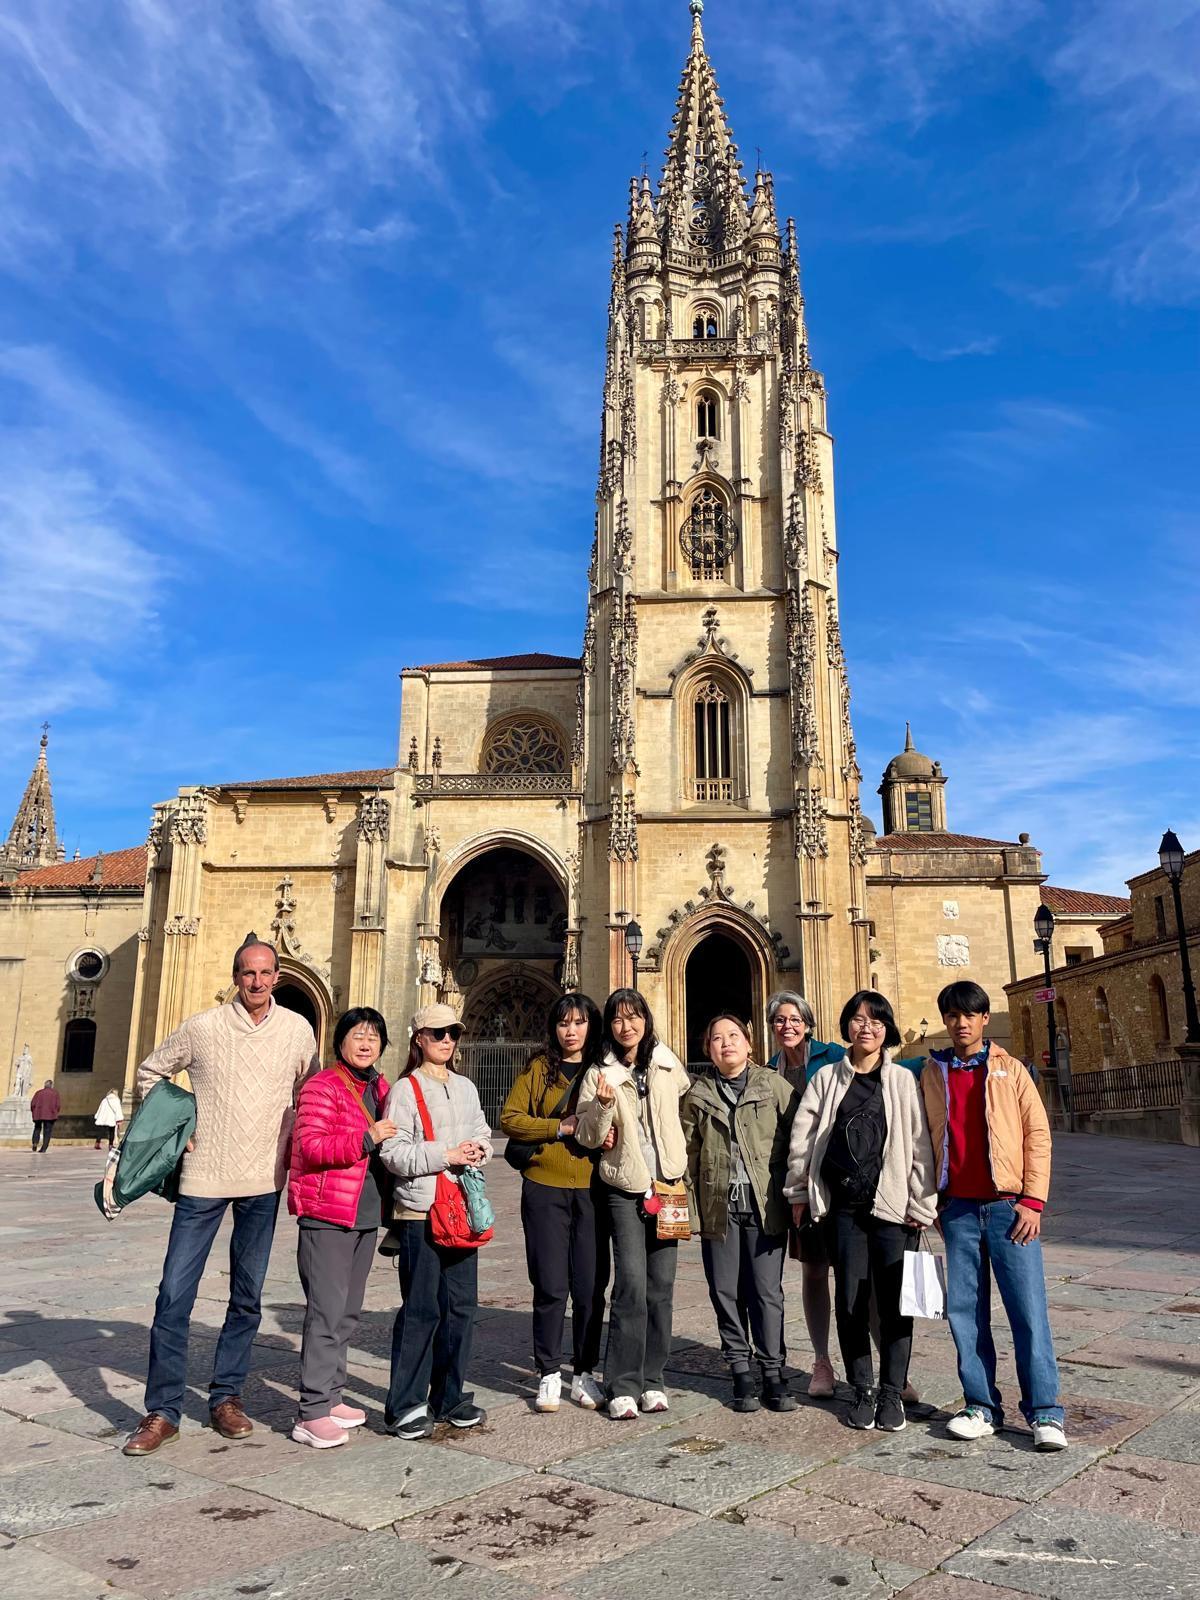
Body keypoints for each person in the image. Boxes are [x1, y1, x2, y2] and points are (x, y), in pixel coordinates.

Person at [122, 937, 319, 1456]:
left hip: (263, 1181)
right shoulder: (203, 1027)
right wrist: (175, 1123)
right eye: (248, 973)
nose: (257, 981)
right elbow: (150, 1070)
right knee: (173, 1295)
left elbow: (311, 1091)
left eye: (265, 972)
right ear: (236, 977)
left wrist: (296, 1132)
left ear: (277, 976)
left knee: (247, 1297)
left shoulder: (298, 1030)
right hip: (203, 1177)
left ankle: (226, 1397)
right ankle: (162, 1410)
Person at [923, 980, 1067, 1451]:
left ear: (985, 1019)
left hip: (1010, 1208)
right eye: (953, 1015)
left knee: (1028, 1311)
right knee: (965, 1313)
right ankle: (981, 1406)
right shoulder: (932, 1072)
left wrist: (1033, 1201)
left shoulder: (1013, 1071)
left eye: (970, 1014)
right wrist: (934, 1201)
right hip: (959, 1209)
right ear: (944, 1021)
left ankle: (1045, 1412)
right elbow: (923, 1136)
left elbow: (1037, 1136)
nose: (961, 1023)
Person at [785, 989, 936, 1433]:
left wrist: (921, 1202)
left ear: (887, 1029)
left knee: (894, 1303)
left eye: (875, 1020)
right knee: (850, 1301)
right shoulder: (827, 1078)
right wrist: (798, 1192)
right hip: (843, 1210)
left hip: (892, 1208)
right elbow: (803, 1138)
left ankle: (892, 1391)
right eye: (857, 1018)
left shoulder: (901, 1081)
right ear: (845, 1025)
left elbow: (920, 1145)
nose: (865, 1026)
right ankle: (863, 1389)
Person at [378, 1004, 492, 1441]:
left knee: (462, 1307)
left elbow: (482, 1131)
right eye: (438, 1033)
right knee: (422, 1308)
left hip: (460, 1209)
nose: (447, 1040)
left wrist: (480, 1149)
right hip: (421, 1210)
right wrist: (446, 1154)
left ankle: (450, 1397)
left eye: (454, 1033)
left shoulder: (465, 1087)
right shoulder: (406, 1090)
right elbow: (393, 1154)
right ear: (419, 1038)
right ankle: (405, 1404)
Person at [575, 988, 690, 1421]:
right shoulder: (598, 1073)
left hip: (669, 1187)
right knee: (631, 1286)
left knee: (662, 1290)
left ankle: (653, 1380)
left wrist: (678, 1157)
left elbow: (681, 1104)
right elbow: (589, 1136)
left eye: (635, 1016)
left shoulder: (666, 1063)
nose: (628, 1026)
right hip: (624, 1188)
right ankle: (622, 1383)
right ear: (610, 1025)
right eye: (619, 1019)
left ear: (646, 1019)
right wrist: (604, 1106)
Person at [287, 1007, 395, 1449]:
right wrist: (365, 1139)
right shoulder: (322, 1086)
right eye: (357, 1036)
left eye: (373, 1037)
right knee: (326, 1311)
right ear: (340, 1042)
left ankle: (332, 1397)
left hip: (364, 1214)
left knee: (347, 1313)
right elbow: (309, 1145)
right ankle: (310, 1412)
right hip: (327, 1213)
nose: (366, 1043)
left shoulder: (380, 1087)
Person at [683, 1012, 798, 1414]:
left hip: (765, 1207)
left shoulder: (774, 1087)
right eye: (717, 1038)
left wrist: (794, 1191)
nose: (726, 1043)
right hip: (720, 1210)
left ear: (750, 1044)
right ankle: (739, 1371)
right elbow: (687, 1156)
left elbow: (797, 1141)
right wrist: (690, 1214)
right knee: (725, 1292)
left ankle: (773, 1371)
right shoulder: (698, 1096)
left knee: (767, 1293)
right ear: (708, 1049)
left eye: (734, 1036)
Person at [500, 993, 609, 1413]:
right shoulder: (539, 1069)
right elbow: (510, 1118)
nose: (571, 1031)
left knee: (590, 1287)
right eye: (564, 1023)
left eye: (579, 1022)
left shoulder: (603, 1071)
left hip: (592, 1190)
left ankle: (583, 1373)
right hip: (544, 1186)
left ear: (590, 1026)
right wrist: (557, 1127)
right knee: (549, 1285)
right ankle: (548, 1372)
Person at [767, 991, 844, 1397]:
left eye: (795, 1019)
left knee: (856, 1274)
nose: (788, 1026)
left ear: (809, 1023)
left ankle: (887, 1371)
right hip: (800, 1184)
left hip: (841, 1180)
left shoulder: (835, 1058)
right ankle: (821, 1362)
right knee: (813, 1271)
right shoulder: (769, 1071)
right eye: (780, 1020)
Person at [30, 1079, 61, 1153]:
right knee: (47, 1131)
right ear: (51, 1085)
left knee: (37, 1128)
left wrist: (34, 1112)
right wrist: (55, 1112)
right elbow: (58, 1105)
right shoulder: (55, 1093)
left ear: (45, 1085)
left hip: (38, 1114)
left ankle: (35, 1142)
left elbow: (32, 1104)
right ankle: (44, 1148)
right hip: (50, 1115)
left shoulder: (38, 1093)